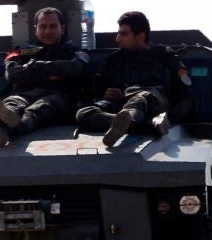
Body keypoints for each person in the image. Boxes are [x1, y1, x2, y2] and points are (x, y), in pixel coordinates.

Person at [0, 7, 88, 147]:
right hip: (25, 94)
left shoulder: (74, 51)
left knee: (37, 110)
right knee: (12, 103)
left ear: (62, 28)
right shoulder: (21, 51)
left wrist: (36, 66)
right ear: (35, 29)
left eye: (52, 26)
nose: (47, 31)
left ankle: (7, 127)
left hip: (57, 97)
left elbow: (75, 69)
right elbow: (12, 74)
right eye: (43, 26)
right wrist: (50, 75)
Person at [75, 11, 192, 147]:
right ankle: (140, 125)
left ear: (141, 36)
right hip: (122, 104)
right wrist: (106, 94)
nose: (117, 39)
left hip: (153, 103)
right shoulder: (114, 61)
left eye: (123, 34)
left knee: (140, 98)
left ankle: (129, 121)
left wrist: (171, 118)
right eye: (118, 33)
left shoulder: (166, 59)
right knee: (84, 113)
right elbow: (98, 92)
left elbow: (186, 98)